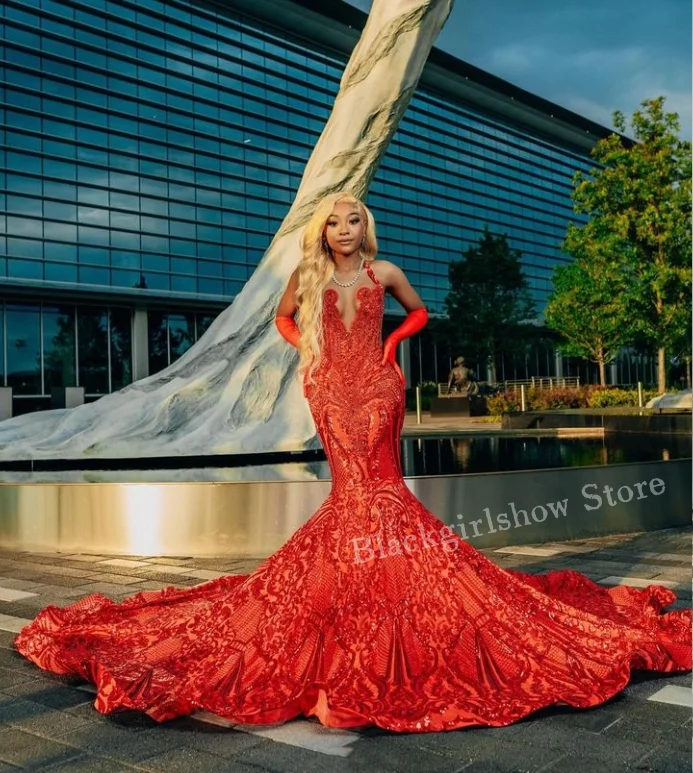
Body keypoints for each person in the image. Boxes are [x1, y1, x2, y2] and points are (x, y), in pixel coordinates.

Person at [14, 193, 691, 733]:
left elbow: (420, 313)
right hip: (329, 384)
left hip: (376, 382)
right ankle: (366, 574)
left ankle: (390, 577)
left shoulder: (382, 272)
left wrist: (394, 345)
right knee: (352, 489)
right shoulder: (304, 276)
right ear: (322, 230)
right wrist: (304, 353)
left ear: (365, 226)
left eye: (353, 218)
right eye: (334, 220)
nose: (344, 227)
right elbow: (282, 320)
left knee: (380, 485)